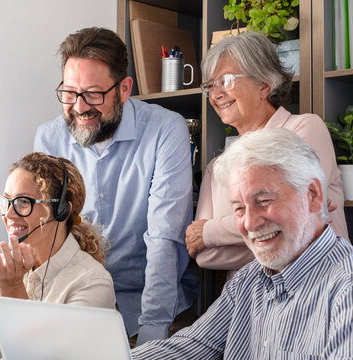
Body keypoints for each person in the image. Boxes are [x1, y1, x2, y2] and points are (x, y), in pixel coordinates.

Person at [34, 27, 197, 345]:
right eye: (69, 93)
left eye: (93, 94)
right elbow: (46, 236)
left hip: (148, 308)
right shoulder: (49, 137)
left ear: (124, 89)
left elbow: (164, 238)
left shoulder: (165, 130)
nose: (79, 107)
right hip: (74, 306)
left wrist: (152, 336)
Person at [132, 128, 353, 359]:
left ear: (313, 195)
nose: (249, 223)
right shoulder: (248, 280)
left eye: (264, 201)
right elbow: (189, 347)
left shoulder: (346, 290)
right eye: (238, 208)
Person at [185, 31, 348, 279]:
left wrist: (208, 233)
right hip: (249, 305)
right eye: (210, 85)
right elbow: (205, 256)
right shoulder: (218, 166)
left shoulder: (304, 129)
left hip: (319, 287)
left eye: (226, 80)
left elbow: (304, 216)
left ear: (263, 84)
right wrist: (277, 237)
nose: (215, 94)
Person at [0, 152, 115, 359]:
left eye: (23, 202)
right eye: (7, 201)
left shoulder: (92, 283)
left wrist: (12, 288)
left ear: (61, 211)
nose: (9, 215)